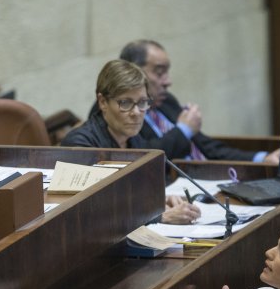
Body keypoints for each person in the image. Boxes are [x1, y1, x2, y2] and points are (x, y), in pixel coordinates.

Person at [61, 59, 201, 225]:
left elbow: (132, 196)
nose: (136, 112)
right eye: (125, 103)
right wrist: (159, 216)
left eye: (142, 102)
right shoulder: (80, 145)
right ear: (103, 102)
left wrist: (161, 200)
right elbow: (93, 212)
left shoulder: (133, 138)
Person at [115, 39, 280, 163]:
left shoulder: (166, 101)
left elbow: (207, 147)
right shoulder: (118, 110)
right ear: (134, 72)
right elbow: (142, 157)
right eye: (159, 72)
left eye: (167, 72)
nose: (168, 81)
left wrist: (261, 158)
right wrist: (183, 130)